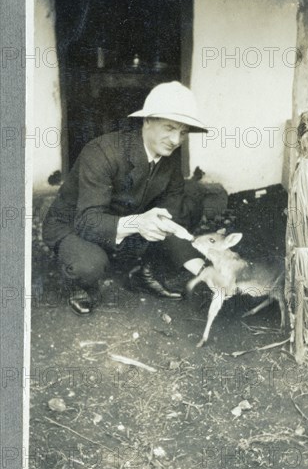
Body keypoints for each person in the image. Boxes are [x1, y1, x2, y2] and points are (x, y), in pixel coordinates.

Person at [42, 81, 207, 315]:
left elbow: (174, 218)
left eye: (183, 132)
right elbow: (87, 221)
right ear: (147, 121)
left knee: (191, 199)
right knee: (89, 266)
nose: (176, 139)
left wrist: (202, 269)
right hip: (75, 224)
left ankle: (140, 271)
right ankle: (80, 284)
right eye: (169, 128)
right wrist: (138, 224)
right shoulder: (102, 152)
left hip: (123, 220)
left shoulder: (170, 161)